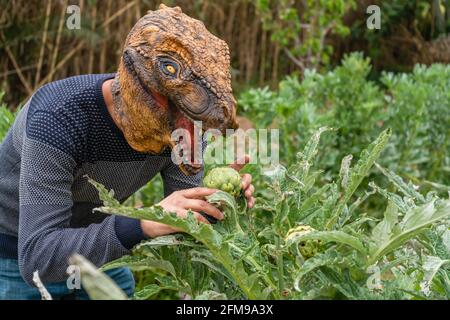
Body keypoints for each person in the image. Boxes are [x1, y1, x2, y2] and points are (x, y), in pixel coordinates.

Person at [0, 5, 255, 300]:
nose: (190, 132)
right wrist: (141, 222)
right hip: (16, 250)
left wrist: (217, 203)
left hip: (97, 243)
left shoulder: (184, 127)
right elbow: (38, 258)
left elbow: (185, 219)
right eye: (173, 105)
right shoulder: (57, 118)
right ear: (136, 83)